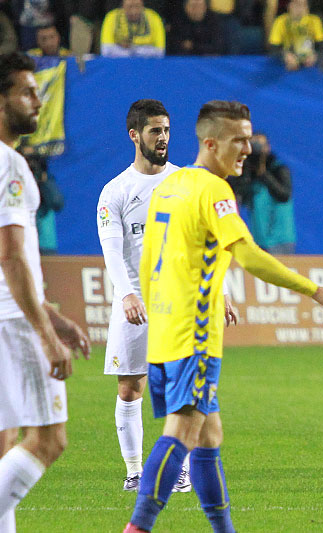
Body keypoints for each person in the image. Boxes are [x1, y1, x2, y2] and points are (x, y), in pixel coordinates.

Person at [122, 100, 323, 533]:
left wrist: (161, 312)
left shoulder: (172, 184)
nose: (247, 148)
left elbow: (152, 257)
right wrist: (314, 289)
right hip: (195, 336)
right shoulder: (214, 190)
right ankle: (138, 527)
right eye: (237, 140)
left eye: (249, 137)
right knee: (183, 430)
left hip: (166, 331)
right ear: (210, 142)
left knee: (210, 435)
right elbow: (249, 256)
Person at [0, 51, 90, 533]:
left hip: (10, 314)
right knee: (49, 440)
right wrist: (45, 335)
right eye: (27, 92)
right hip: (12, 322)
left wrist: (54, 318)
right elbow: (11, 257)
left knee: (4, 444)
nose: (38, 100)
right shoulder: (10, 165)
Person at [96, 99, 192, 493]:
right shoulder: (115, 191)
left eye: (167, 130)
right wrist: (128, 294)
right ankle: (135, 471)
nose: (164, 138)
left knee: (180, 387)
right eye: (155, 130)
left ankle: (179, 470)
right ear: (134, 135)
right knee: (129, 387)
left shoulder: (185, 182)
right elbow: (111, 250)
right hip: (133, 304)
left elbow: (201, 242)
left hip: (178, 302)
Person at [240, 132, 296, 254]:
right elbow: (240, 199)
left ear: (268, 147)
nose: (256, 149)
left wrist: (264, 174)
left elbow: (284, 195)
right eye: (252, 145)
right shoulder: (248, 173)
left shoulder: (278, 169)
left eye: (259, 145)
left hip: (281, 239)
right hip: (259, 239)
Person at [268, 0, 323, 71]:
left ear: (307, 8)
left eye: (303, 5)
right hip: (288, 60)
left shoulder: (315, 20)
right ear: (288, 6)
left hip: (309, 62)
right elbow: (273, 48)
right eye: (296, 5)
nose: (299, 8)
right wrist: (285, 56)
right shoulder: (280, 21)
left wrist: (315, 56)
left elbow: (322, 47)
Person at [100, 0, 167, 58]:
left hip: (147, 65)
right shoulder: (111, 17)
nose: (133, 11)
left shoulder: (154, 18)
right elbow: (106, 50)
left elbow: (160, 52)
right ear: (123, 6)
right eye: (129, 7)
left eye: (137, 6)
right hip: (119, 64)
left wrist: (134, 49)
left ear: (142, 5)